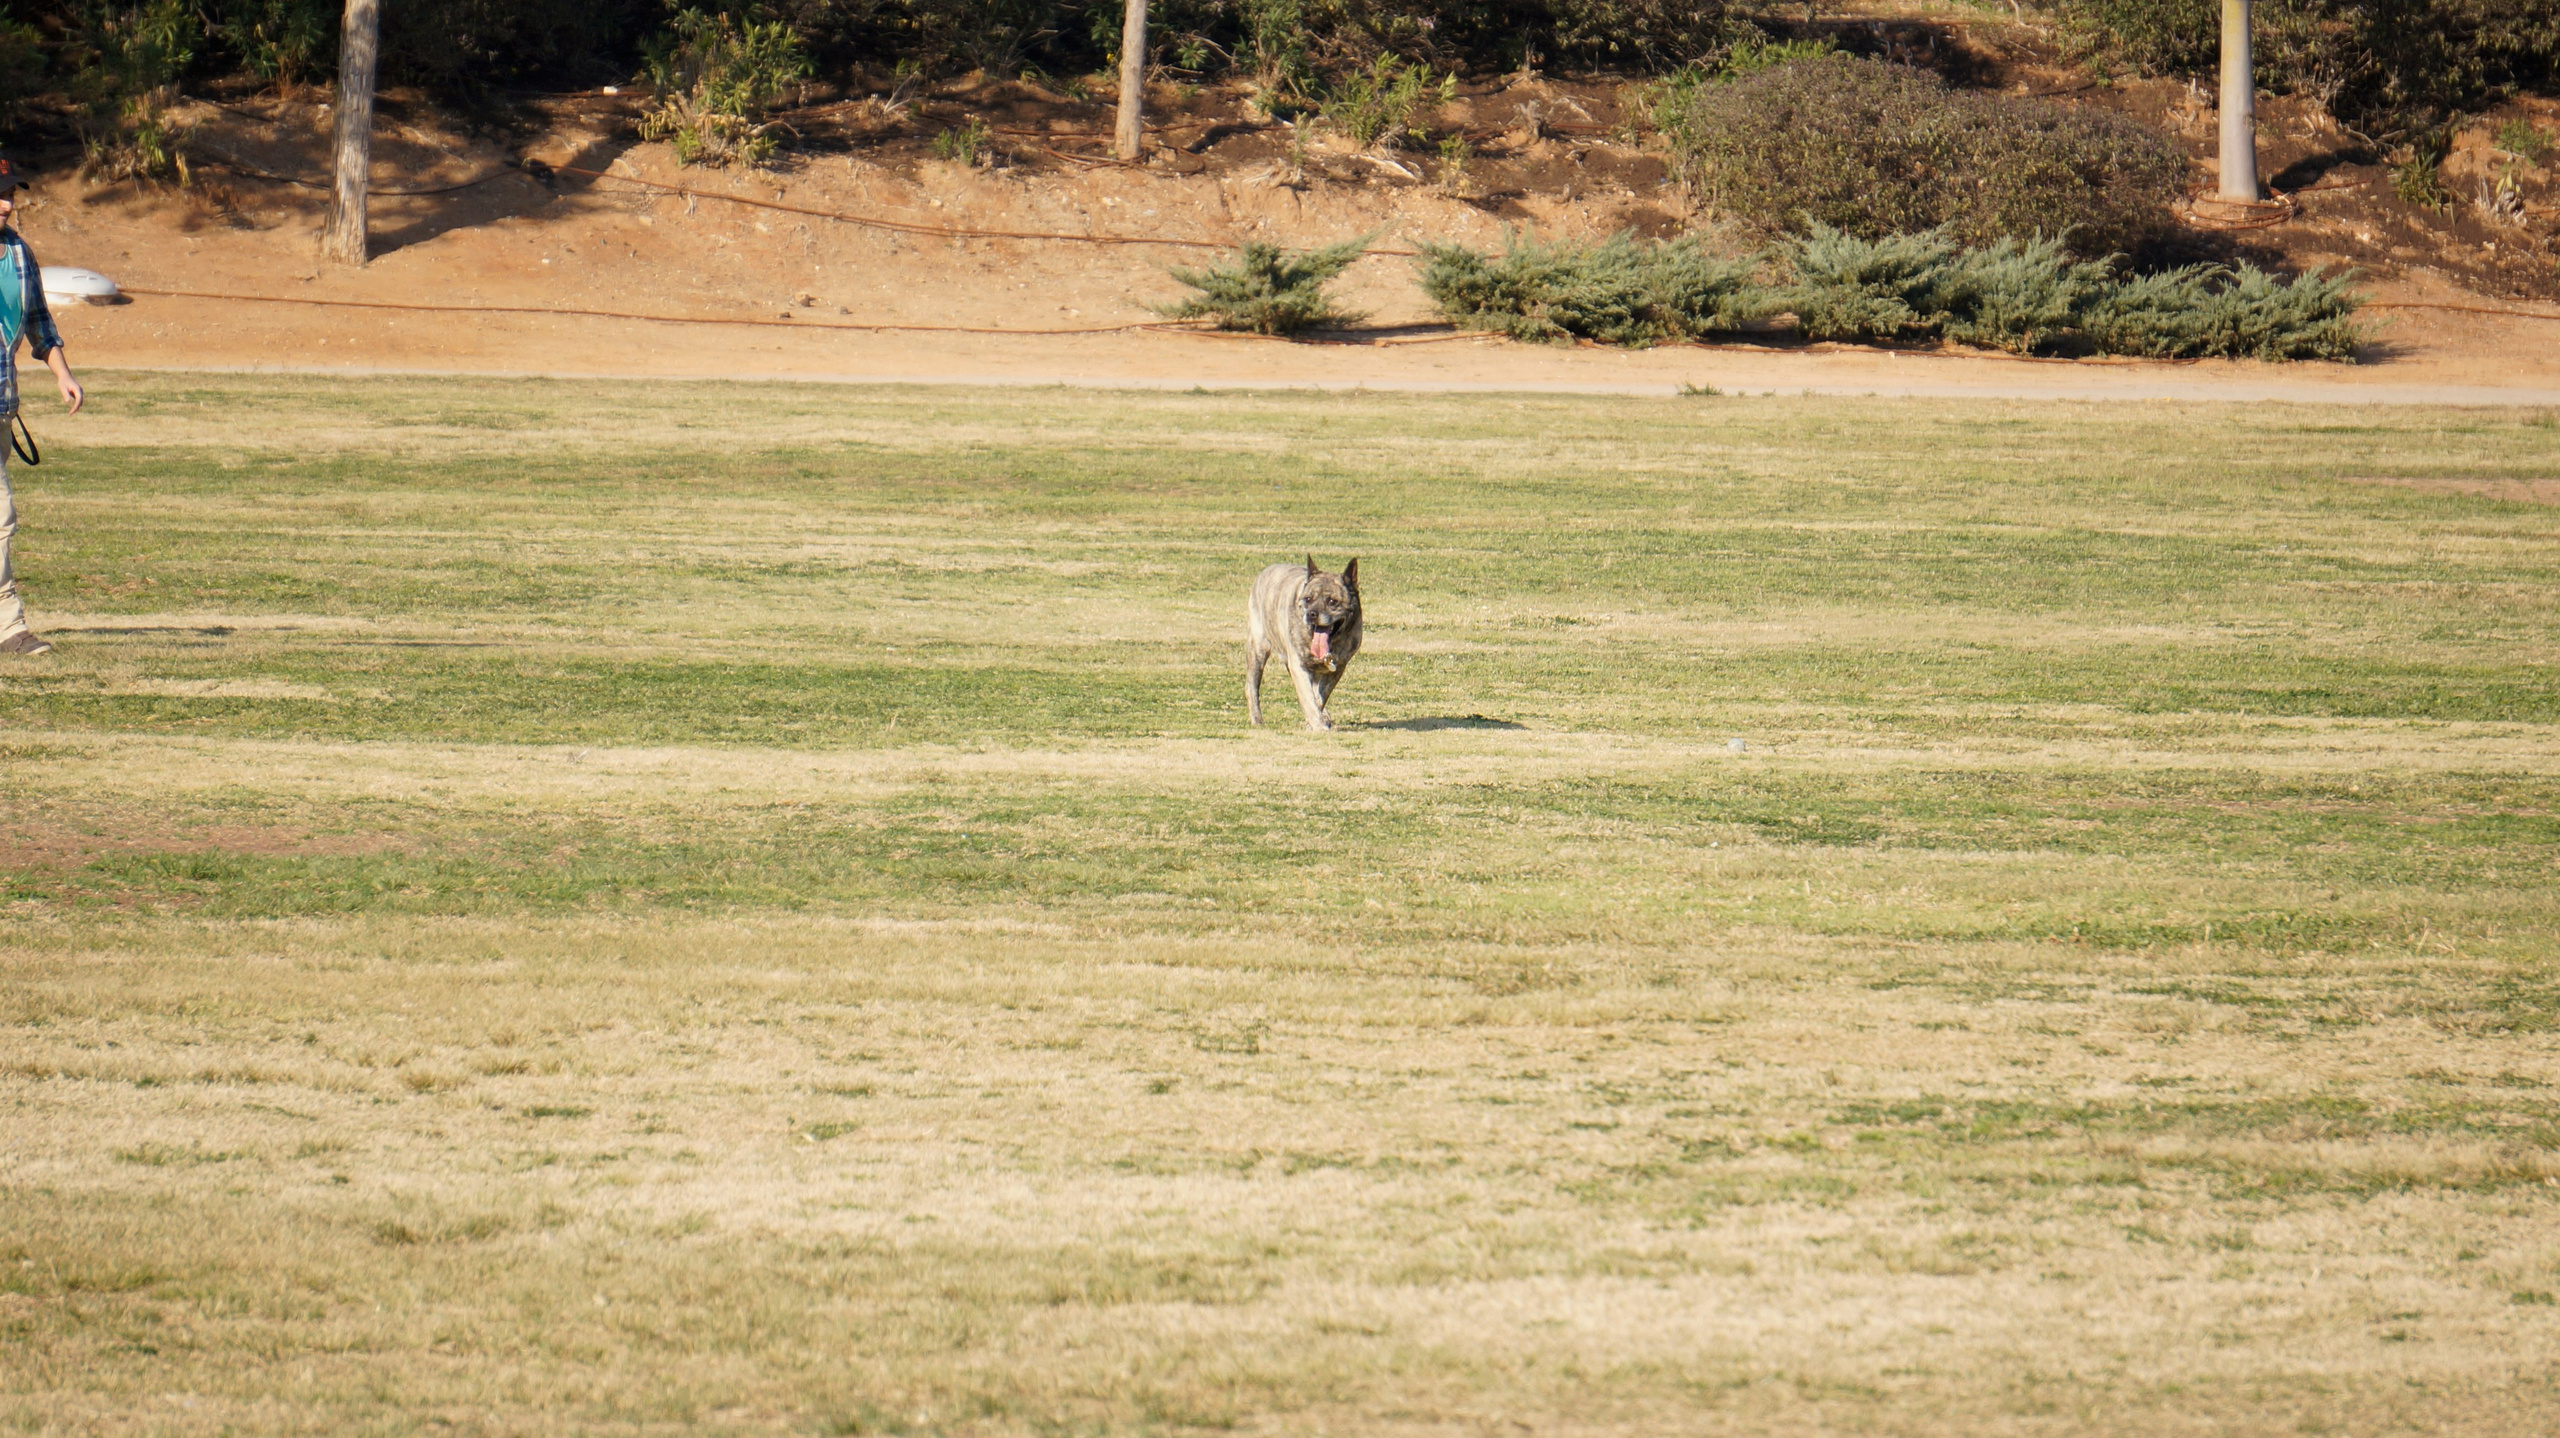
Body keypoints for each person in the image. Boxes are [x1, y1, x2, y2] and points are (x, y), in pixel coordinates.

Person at [0, 155, 84, 657]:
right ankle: (8, 627)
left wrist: (62, 373)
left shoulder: (17, 254)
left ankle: (7, 628)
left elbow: (38, 321)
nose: (6, 204)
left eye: (10, 193)